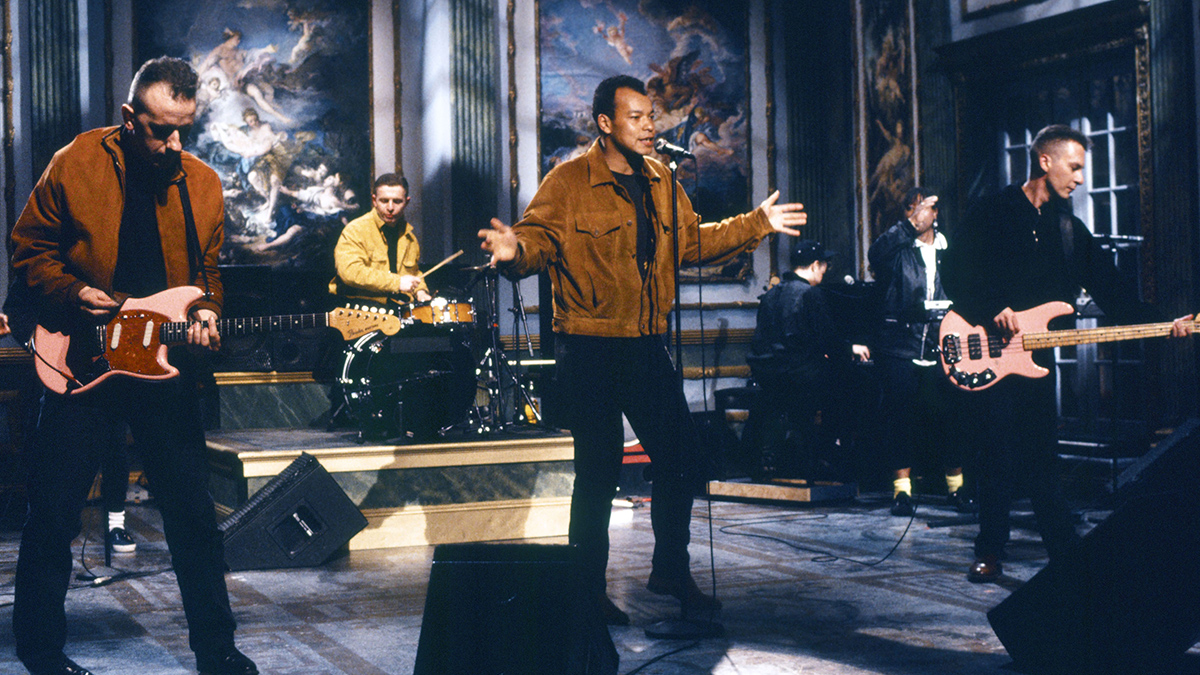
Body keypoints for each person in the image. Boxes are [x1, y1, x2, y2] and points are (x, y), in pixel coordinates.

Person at [478, 74, 806, 625]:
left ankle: (670, 569)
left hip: (645, 345)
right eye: (636, 116)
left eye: (652, 115)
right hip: (588, 347)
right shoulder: (567, 181)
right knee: (599, 473)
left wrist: (757, 224)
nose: (650, 126)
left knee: (683, 458)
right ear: (605, 123)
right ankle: (585, 590)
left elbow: (692, 242)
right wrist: (513, 251)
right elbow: (536, 242)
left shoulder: (661, 179)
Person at [9, 57, 256, 675]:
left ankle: (217, 649)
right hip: (82, 361)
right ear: (129, 117)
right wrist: (74, 292)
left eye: (184, 129)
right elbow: (28, 249)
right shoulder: (77, 161)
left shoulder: (200, 182)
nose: (174, 143)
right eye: (160, 129)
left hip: (161, 367)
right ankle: (41, 652)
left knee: (194, 516)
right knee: (55, 512)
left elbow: (206, 277)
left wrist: (205, 311)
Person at [941, 124, 1192, 583]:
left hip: (1037, 358)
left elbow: (1115, 294)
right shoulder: (993, 211)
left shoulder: (1069, 230)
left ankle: (1066, 556)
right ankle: (990, 551)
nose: (1080, 178)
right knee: (995, 457)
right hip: (986, 352)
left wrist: (1164, 323)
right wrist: (992, 307)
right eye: (1074, 167)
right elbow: (953, 271)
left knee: (1042, 459)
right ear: (1044, 161)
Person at [867, 187, 970, 517]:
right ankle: (902, 492)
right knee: (900, 418)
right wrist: (909, 226)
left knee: (949, 416)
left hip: (942, 345)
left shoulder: (948, 250)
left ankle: (956, 488)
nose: (918, 214)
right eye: (911, 210)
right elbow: (875, 253)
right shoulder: (897, 249)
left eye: (923, 209)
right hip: (901, 344)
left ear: (936, 213)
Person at [747, 240, 870, 480]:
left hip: (769, 374)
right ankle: (828, 455)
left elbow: (761, 340)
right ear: (815, 265)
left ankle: (787, 455)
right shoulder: (811, 294)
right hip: (800, 376)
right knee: (849, 387)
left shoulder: (771, 294)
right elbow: (828, 341)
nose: (825, 270)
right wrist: (850, 349)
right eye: (825, 265)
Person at [329, 173, 432, 307]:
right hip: (358, 310)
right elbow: (350, 272)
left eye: (397, 201)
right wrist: (397, 282)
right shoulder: (355, 230)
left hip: (396, 309)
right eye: (384, 201)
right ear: (374, 201)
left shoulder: (409, 238)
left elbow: (413, 274)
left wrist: (420, 291)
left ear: (406, 202)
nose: (390, 207)